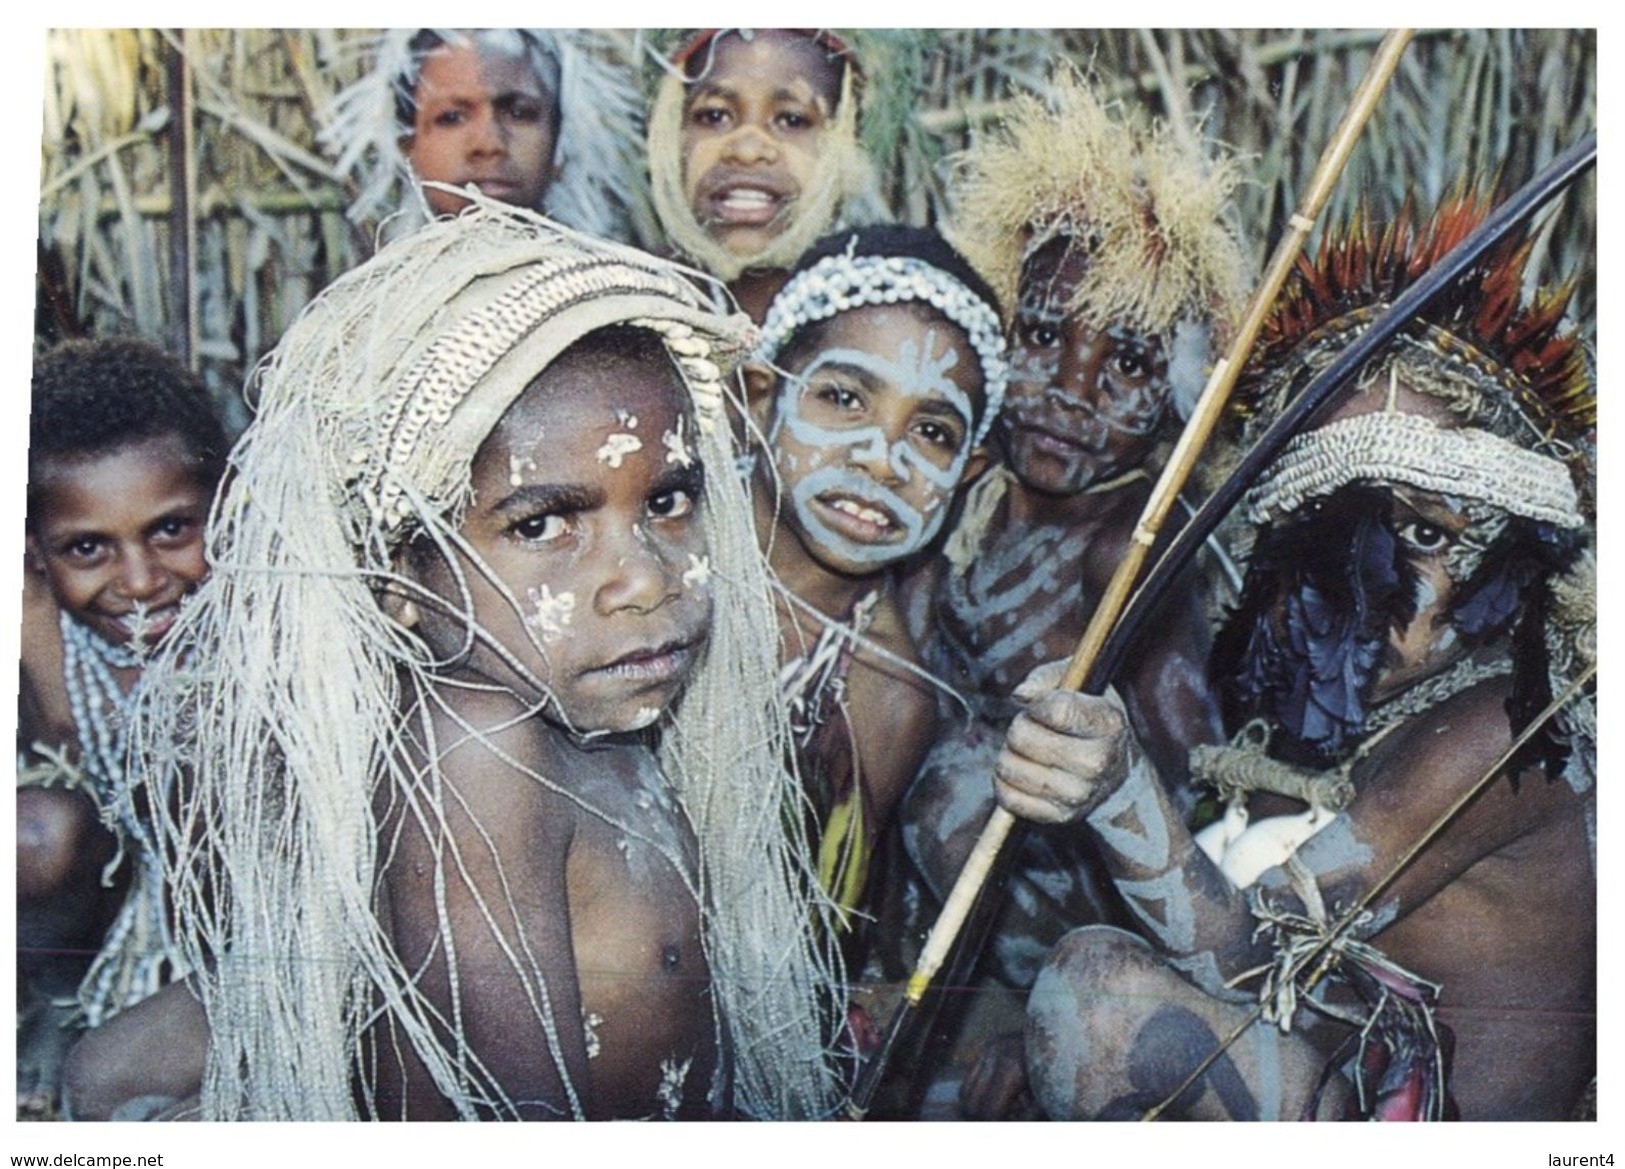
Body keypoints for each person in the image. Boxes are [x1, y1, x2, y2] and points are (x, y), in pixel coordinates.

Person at [64, 206, 846, 1121]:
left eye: (667, 500)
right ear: (398, 577)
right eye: (542, 523)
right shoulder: (477, 749)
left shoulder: (583, 711)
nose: (641, 576)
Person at [1012, 192, 1596, 1121]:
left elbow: (1245, 957)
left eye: (1426, 533)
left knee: (1098, 997)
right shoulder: (1346, 715)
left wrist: (1118, 787)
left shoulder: (1500, 733)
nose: (1374, 589)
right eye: (1338, 532)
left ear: (1515, 563)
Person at [894, 76, 1247, 1111]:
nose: (1069, 389)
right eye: (1042, 336)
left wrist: (1038, 1011)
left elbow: (1171, 831)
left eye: (1126, 360)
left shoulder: (1133, 553)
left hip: (1071, 947)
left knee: (966, 771)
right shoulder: (971, 487)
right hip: (950, 933)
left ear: (1177, 394)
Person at [741, 225, 1004, 935]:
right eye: (845, 398)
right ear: (760, 396)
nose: (883, 458)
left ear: (966, 473)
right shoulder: (655, 551)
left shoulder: (884, 694)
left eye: (932, 433)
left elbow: (811, 933)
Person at [17, 338, 226, 1114]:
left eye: (173, 529)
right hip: (102, 903)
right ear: (35, 555)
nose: (139, 580)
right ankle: (52, 1003)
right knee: (33, 836)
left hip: (226, 927)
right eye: (88, 547)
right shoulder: (37, 634)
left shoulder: (261, 631)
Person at [323, 29, 649, 244]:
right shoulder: (371, 321)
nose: (489, 145)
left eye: (520, 113)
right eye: (451, 117)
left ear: (560, 146)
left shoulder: (618, 305)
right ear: (408, 147)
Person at [646, 29, 877, 322]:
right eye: (714, 116)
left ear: (846, 142)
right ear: (672, 134)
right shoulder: (625, 303)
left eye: (792, 119)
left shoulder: (878, 319)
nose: (747, 150)